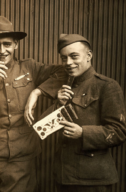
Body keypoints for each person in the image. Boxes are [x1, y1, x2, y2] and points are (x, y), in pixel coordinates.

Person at [0, 16, 66, 192]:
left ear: (16, 45)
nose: (2, 50)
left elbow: (64, 71)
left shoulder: (29, 67)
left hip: (22, 157)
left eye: (7, 44)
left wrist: (37, 92)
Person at [45, 34, 126, 192]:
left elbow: (119, 132)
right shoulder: (64, 87)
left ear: (89, 56)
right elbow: (44, 129)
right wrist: (58, 104)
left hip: (93, 180)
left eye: (74, 56)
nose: (68, 63)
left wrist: (83, 133)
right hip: (64, 176)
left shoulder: (107, 86)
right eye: (64, 58)